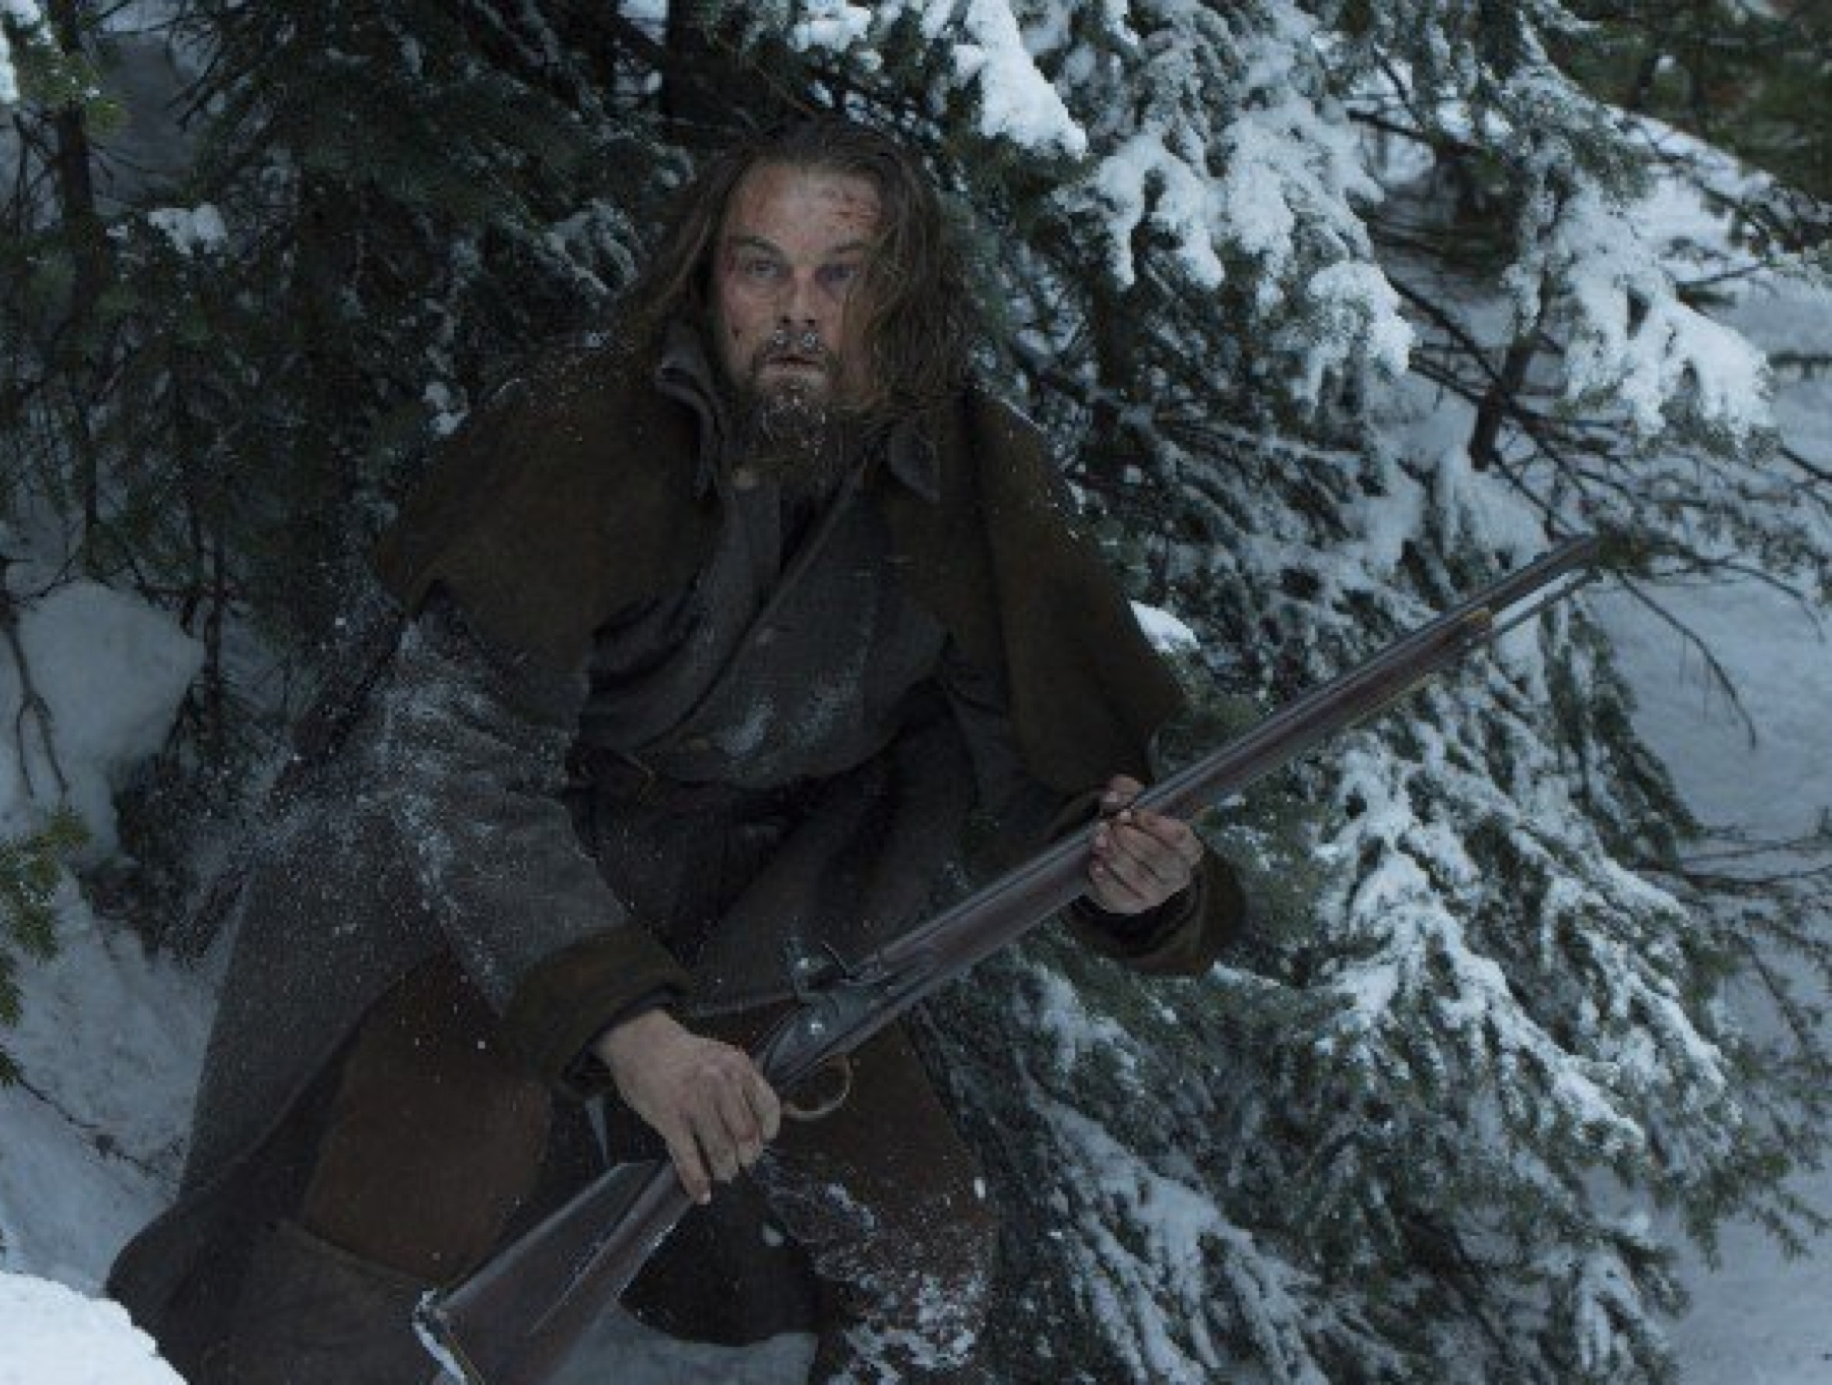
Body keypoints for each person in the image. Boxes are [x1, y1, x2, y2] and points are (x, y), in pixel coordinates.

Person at [108, 116, 1243, 1384]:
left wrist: (1138, 878)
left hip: (764, 910)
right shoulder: (587, 428)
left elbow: (1063, 773)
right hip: (498, 886)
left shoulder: (970, 473)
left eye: (841, 273)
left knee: (926, 1240)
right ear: (711, 276)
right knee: (433, 1143)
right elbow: (457, 759)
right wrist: (627, 1027)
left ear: (905, 293)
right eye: (761, 267)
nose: (796, 311)